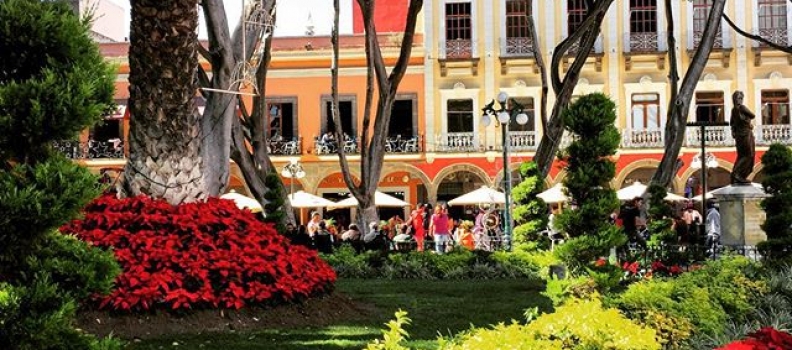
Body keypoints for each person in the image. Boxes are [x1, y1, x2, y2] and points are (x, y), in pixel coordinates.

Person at [730, 90, 756, 184]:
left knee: (743, 155)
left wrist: (733, 132)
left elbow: (732, 123)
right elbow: (753, 115)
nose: (739, 100)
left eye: (741, 98)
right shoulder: (742, 108)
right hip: (745, 135)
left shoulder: (733, 110)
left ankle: (739, 175)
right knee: (748, 155)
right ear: (734, 99)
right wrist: (747, 121)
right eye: (738, 98)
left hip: (739, 136)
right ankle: (736, 174)